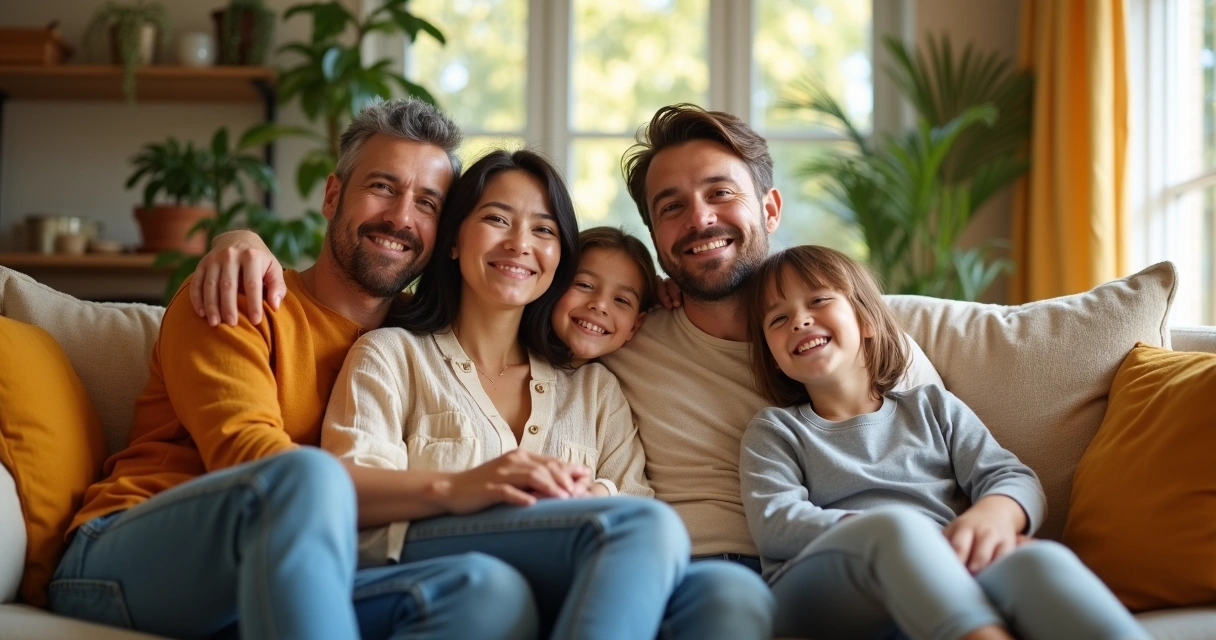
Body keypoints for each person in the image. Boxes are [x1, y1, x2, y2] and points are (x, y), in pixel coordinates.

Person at [48, 98, 552, 640]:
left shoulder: (423, 344)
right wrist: (453, 488)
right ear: (333, 195)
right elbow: (253, 464)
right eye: (382, 186)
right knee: (305, 478)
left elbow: (573, 308)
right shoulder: (241, 295)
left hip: (299, 571)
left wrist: (652, 298)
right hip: (127, 556)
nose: (402, 218)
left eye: (427, 203)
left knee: (485, 588)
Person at [321, 148, 773, 640]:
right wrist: (465, 488)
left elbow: (634, 497)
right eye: (497, 219)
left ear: (559, 258)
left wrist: (586, 497)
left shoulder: (593, 387)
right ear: (453, 240)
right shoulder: (392, 355)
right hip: (427, 559)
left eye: (543, 230)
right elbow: (345, 494)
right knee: (643, 528)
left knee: (731, 593)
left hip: (573, 579)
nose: (519, 244)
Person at [739, 244, 1149, 640]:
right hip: (823, 591)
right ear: (773, 356)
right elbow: (776, 523)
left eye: (818, 301)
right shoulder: (775, 430)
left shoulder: (931, 406)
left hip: (943, 569)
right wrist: (908, 537)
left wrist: (995, 516)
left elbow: (1010, 475)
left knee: (1037, 559)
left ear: (865, 320)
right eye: (778, 319)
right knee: (894, 528)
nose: (799, 321)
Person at [600, 103, 943, 571]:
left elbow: (940, 474)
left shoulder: (859, 339)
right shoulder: (624, 343)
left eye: (720, 192)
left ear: (770, 208)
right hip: (700, 578)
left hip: (845, 569)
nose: (700, 220)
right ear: (656, 235)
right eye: (672, 207)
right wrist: (637, 291)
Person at [551, 226, 658, 365]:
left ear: (635, 326)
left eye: (621, 300)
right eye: (585, 285)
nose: (600, 305)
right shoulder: (514, 351)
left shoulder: (603, 385)